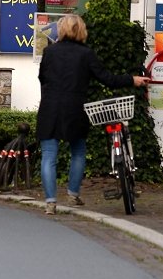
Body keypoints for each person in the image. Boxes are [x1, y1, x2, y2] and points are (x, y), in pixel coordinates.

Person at [36, 14, 149, 215]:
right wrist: (132, 80)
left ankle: (50, 202)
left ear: (61, 30)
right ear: (81, 31)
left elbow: (42, 77)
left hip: (49, 108)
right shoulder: (85, 54)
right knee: (78, 152)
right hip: (75, 107)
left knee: (49, 156)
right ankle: (72, 194)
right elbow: (107, 78)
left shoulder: (49, 52)